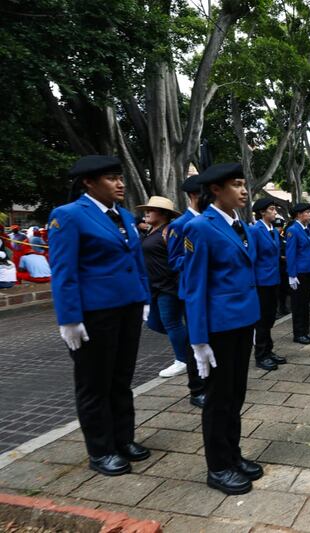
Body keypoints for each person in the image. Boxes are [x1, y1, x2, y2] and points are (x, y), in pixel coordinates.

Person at [48, 155, 151, 476]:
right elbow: (63, 270)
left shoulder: (123, 216)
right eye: (111, 178)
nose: (120, 183)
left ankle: (124, 439)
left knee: (121, 378)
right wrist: (69, 318)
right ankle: (101, 449)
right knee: (94, 382)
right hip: (95, 313)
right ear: (88, 183)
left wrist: (143, 297)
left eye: (120, 177)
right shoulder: (68, 216)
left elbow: (137, 260)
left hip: (128, 306)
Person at [183, 162, 263, 495]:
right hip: (218, 329)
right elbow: (193, 286)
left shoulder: (238, 224)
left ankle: (233, 454)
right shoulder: (201, 227)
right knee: (218, 398)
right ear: (216, 190)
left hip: (242, 324)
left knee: (235, 394)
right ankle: (217, 466)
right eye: (237, 184)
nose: (244, 190)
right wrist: (199, 341)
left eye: (245, 184)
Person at [138, 196, 195, 388]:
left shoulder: (168, 231)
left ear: (163, 214)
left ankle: (183, 359)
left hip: (168, 286)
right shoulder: (150, 231)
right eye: (146, 210)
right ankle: (195, 343)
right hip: (153, 287)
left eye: (151, 210)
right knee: (154, 323)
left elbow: (177, 257)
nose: (146, 213)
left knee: (171, 322)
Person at [165, 174, 206, 406]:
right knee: (195, 342)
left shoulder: (212, 221)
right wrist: (199, 261)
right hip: (192, 291)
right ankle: (197, 389)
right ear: (193, 196)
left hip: (212, 291)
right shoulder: (180, 225)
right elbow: (175, 260)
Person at [250, 198, 286, 372]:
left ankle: (269, 351)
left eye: (274, 209)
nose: (275, 212)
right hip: (261, 281)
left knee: (270, 317)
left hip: (273, 280)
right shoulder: (255, 230)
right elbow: (252, 258)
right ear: (262, 212)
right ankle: (261, 355)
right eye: (271, 209)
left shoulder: (272, 230)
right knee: (262, 320)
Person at [286, 203, 310, 344]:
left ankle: (305, 331)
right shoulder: (293, 230)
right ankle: (298, 333)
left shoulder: (306, 229)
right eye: (307, 212)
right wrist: (292, 275)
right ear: (298, 215)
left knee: (305, 303)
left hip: (308, 271)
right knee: (298, 304)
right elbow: (290, 254)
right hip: (299, 273)